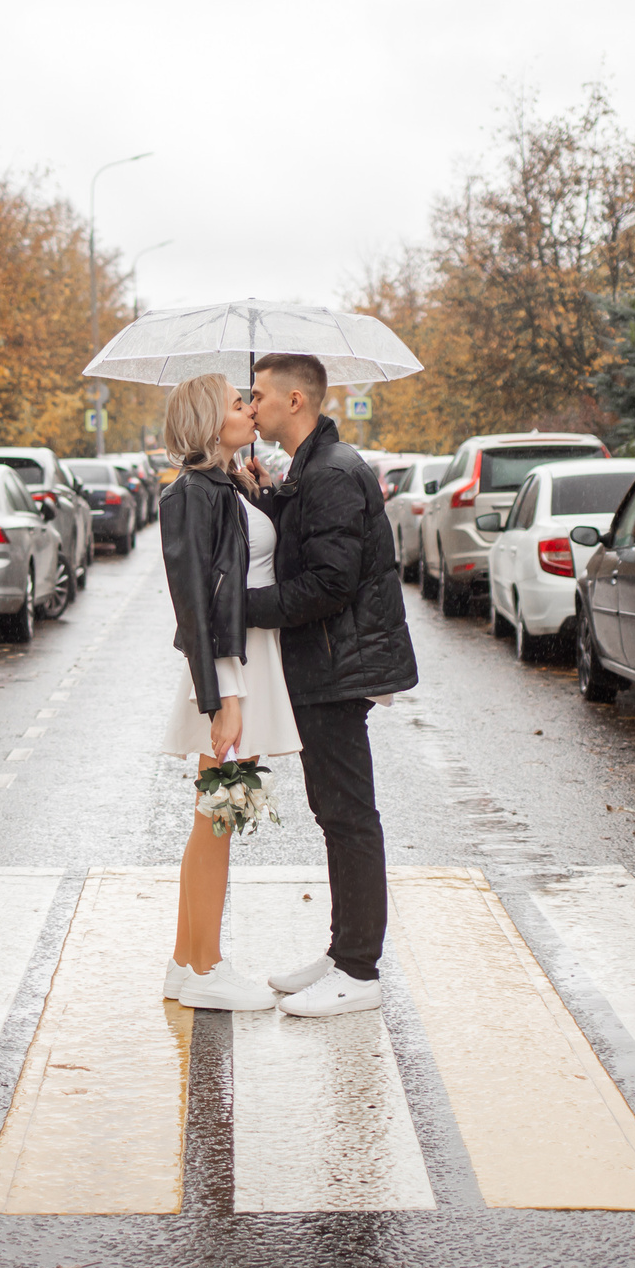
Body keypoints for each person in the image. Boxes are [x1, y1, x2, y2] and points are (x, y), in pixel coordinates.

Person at [242, 353, 419, 1017]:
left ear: (295, 401)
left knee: (348, 813)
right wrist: (271, 494)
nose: (249, 405)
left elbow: (328, 582)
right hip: (324, 661)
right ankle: (344, 951)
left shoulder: (334, 473)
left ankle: (359, 970)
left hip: (335, 663)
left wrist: (243, 609)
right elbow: (311, 541)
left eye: (257, 395)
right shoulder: (315, 468)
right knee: (335, 810)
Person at [155, 372, 296, 1011]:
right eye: (238, 403)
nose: (250, 408)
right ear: (212, 423)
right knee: (218, 816)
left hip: (241, 666)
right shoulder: (192, 494)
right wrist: (224, 695)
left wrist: (259, 489)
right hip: (228, 670)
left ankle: (188, 963)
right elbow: (198, 604)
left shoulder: (226, 486)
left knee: (215, 816)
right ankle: (206, 970)